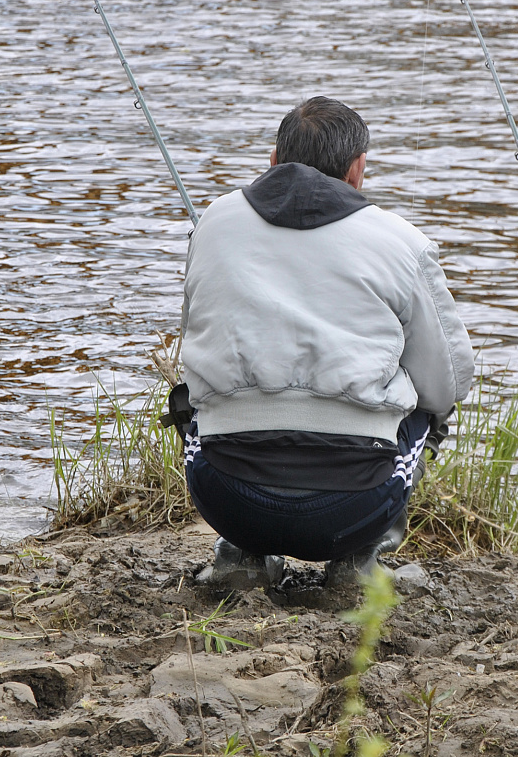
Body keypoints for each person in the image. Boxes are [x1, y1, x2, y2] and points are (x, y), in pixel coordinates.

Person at [174, 95, 474, 591]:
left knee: (188, 401)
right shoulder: (403, 242)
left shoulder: (212, 223)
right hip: (353, 508)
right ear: (357, 171)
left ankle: (241, 557)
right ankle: (358, 565)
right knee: (431, 408)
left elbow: (192, 349)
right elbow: (447, 386)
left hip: (226, 497)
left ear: (272, 161)